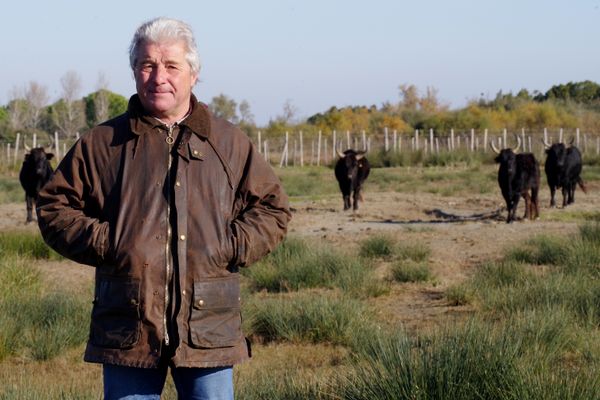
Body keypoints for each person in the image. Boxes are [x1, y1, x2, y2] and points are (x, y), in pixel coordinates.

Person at [36, 17, 290, 400]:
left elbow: (272, 208)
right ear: (135, 71)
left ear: (194, 73)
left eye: (171, 65)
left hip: (209, 324)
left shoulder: (228, 142)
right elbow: (54, 207)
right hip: (128, 324)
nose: (159, 77)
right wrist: (111, 242)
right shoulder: (102, 143)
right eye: (147, 64)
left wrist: (228, 245)